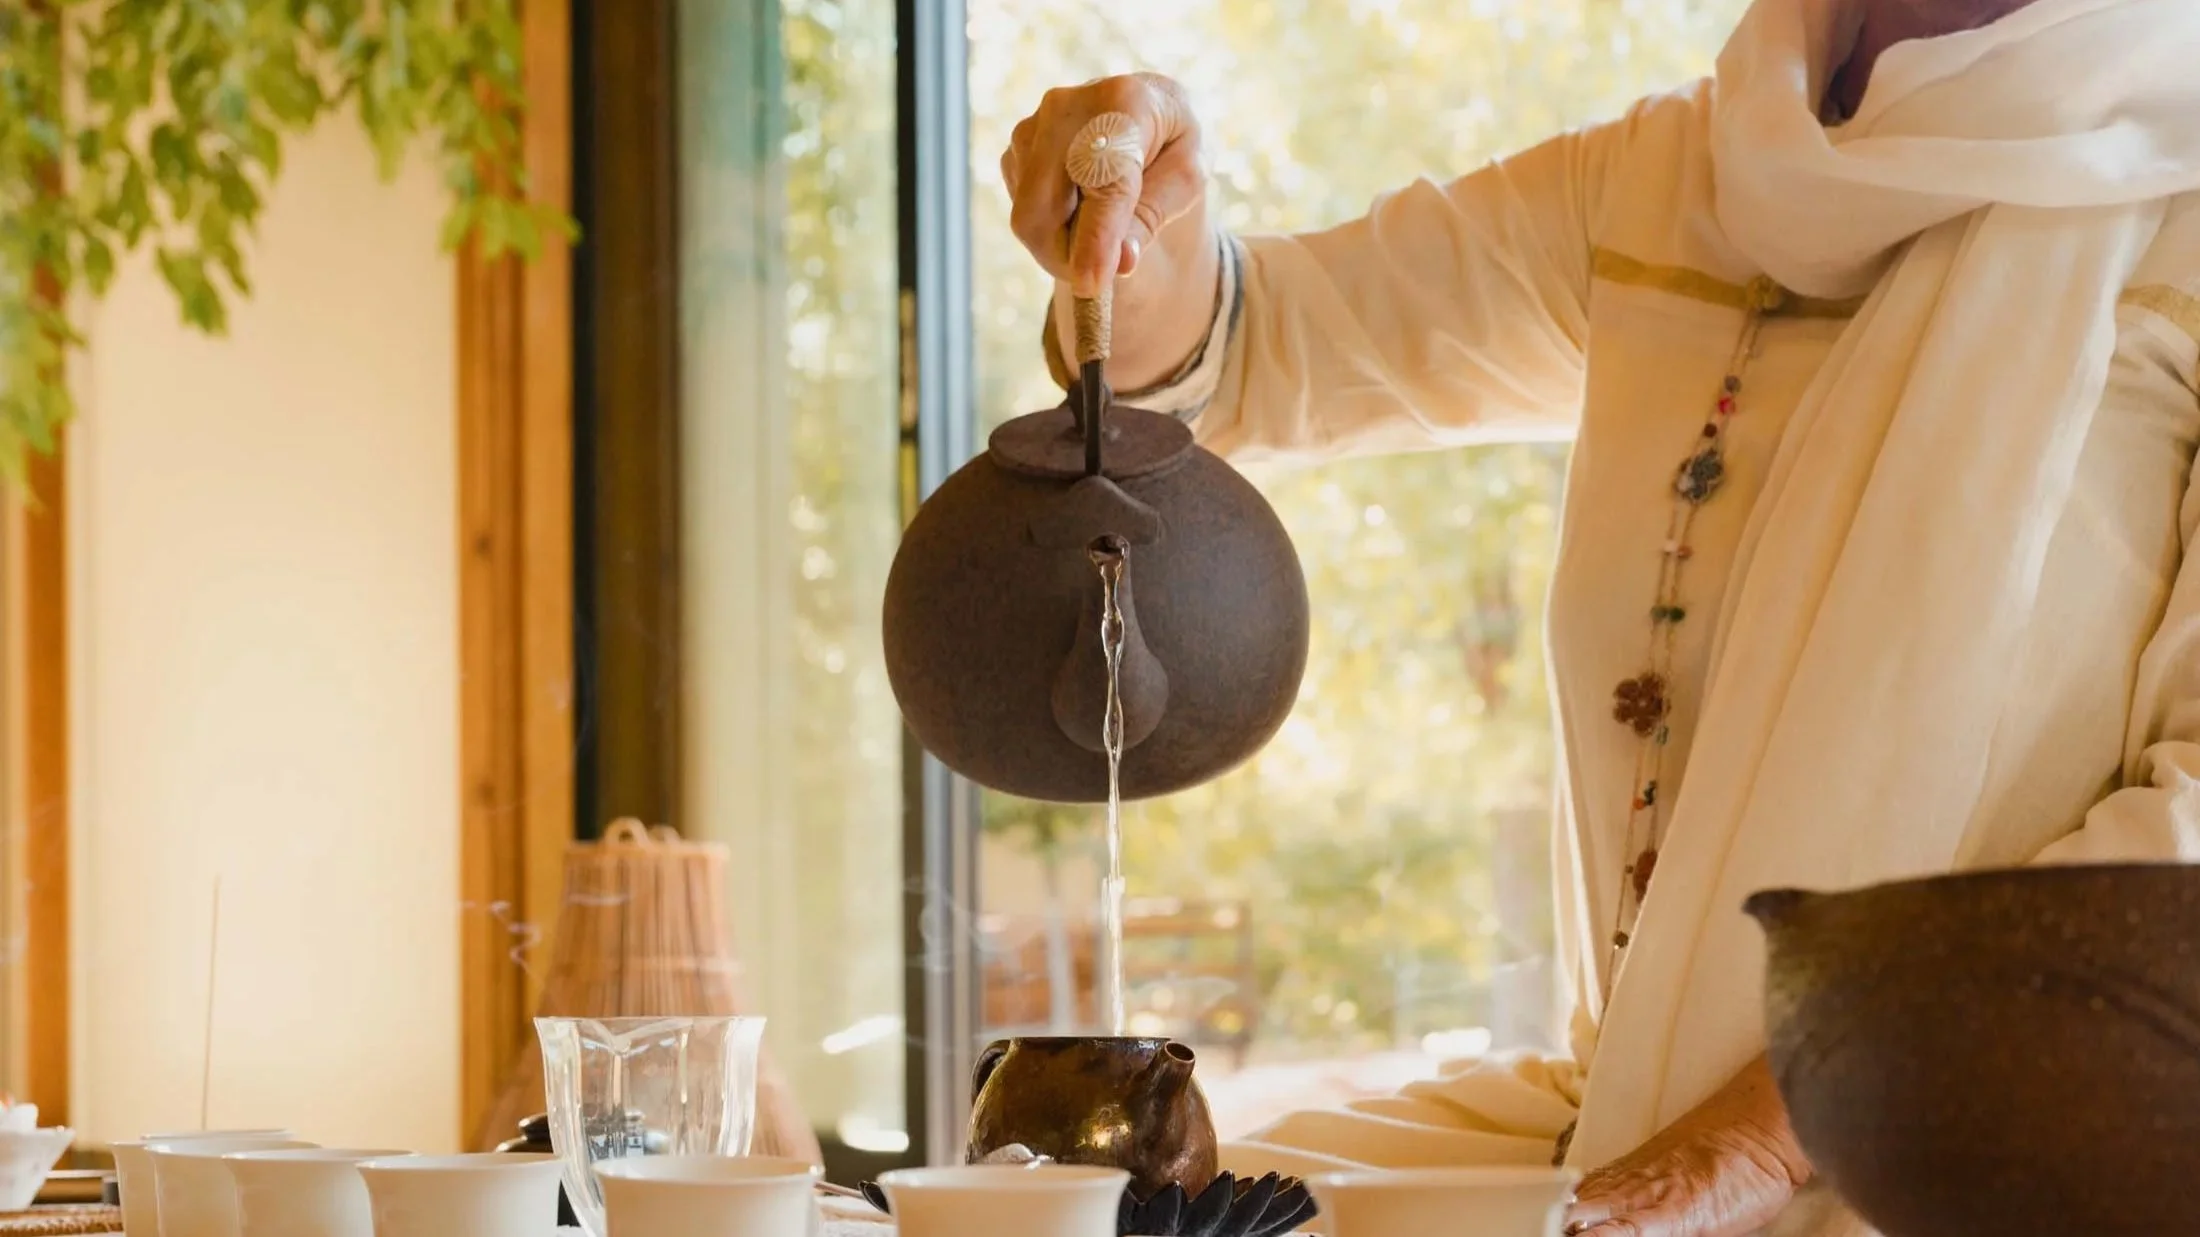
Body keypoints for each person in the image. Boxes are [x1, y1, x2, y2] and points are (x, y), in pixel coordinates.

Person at [1001, 0, 2200, 1233]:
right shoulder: (1690, 172)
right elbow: (1250, 344)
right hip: (1622, 1134)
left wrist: (1763, 1127)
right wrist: (1132, 216)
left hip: (1988, 1154)